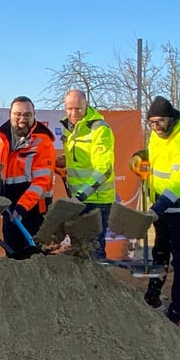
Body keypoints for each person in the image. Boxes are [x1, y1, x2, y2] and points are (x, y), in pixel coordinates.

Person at [139, 96, 180, 327]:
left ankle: (176, 310)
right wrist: (141, 158)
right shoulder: (157, 136)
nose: (155, 127)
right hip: (163, 206)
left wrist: (157, 207)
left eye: (159, 122)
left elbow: (178, 180)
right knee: (159, 253)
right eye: (151, 123)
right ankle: (152, 297)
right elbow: (159, 161)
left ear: (171, 118)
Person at [59, 89, 117, 259]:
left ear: (86, 105)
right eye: (70, 108)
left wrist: (81, 196)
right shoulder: (68, 128)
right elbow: (80, 157)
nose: (73, 113)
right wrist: (64, 160)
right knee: (78, 248)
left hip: (97, 200)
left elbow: (103, 169)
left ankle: (100, 285)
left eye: (78, 108)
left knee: (94, 249)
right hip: (78, 198)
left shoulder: (99, 129)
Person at [0, 96, 56, 253]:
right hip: (9, 210)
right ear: (10, 114)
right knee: (13, 259)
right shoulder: (1, 138)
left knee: (33, 261)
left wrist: (22, 208)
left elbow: (42, 182)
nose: (22, 119)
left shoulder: (43, 141)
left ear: (34, 115)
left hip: (33, 212)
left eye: (27, 115)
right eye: (18, 114)